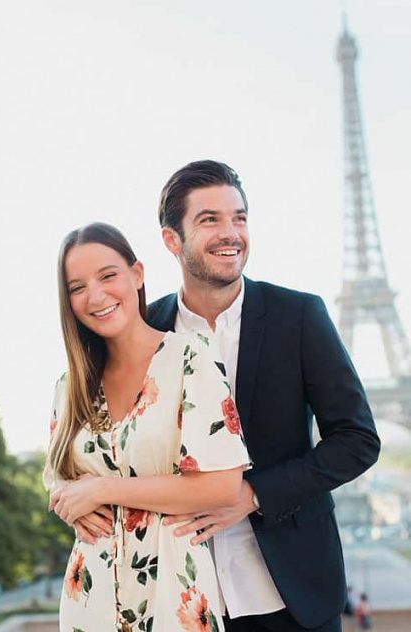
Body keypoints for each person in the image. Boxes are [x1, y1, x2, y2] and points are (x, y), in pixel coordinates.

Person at [144, 160, 380, 631]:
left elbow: (357, 439)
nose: (231, 232)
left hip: (291, 596)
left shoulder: (300, 316)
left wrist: (253, 495)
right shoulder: (146, 330)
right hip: (183, 597)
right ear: (172, 240)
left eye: (240, 217)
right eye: (210, 219)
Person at [46, 222, 251, 632]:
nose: (96, 296)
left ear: (136, 275)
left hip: (173, 593)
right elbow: (57, 482)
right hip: (90, 597)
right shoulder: (70, 386)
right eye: (77, 287)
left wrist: (103, 489)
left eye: (108, 276)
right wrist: (68, 504)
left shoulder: (191, 357)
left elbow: (222, 486)